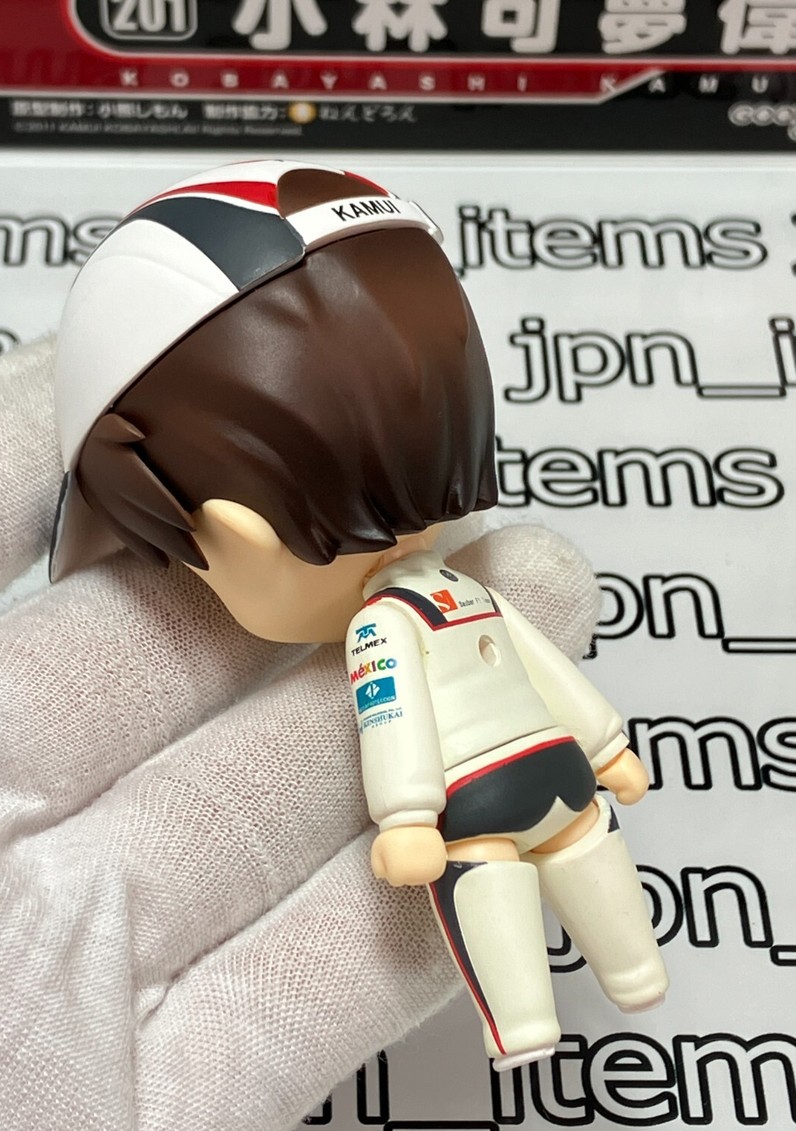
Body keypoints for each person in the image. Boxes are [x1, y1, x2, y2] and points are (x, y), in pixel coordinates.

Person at [47, 160, 667, 1075]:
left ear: (229, 535)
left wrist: (594, 746)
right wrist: (424, 812)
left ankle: (604, 981)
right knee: (523, 875)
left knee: (553, 868)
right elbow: (420, 709)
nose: (417, 531)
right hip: (508, 790)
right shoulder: (417, 604)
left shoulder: (403, 609)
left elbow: (462, 686)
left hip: (514, 782)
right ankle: (553, 1007)